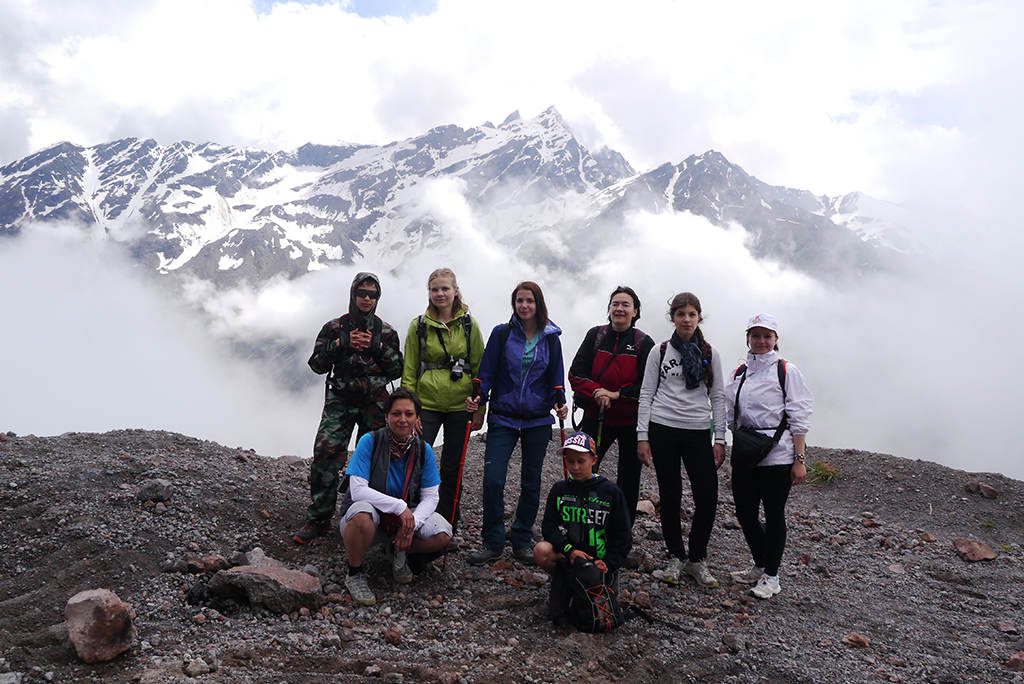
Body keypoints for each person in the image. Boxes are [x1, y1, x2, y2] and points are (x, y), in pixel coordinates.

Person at [294, 272, 403, 544]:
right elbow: (316, 365)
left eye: (372, 294)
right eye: (362, 293)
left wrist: (377, 347)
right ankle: (318, 519)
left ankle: (369, 519)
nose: (367, 298)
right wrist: (340, 344)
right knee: (325, 453)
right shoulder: (334, 328)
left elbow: (398, 370)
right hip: (340, 401)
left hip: (375, 403)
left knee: (376, 461)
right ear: (353, 294)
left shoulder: (387, 332)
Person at [465, 281, 569, 566]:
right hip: (503, 416)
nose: (524, 306)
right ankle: (493, 541)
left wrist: (559, 401)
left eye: (529, 301)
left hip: (538, 419)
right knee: (493, 479)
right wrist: (479, 396)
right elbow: (486, 372)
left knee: (531, 482)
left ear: (539, 304)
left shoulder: (551, 339)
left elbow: (556, 379)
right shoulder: (502, 334)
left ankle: (522, 539)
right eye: (520, 301)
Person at [636, 292, 726, 588]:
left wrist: (720, 438)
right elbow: (646, 394)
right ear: (672, 318)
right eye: (680, 314)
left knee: (707, 497)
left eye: (691, 314)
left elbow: (717, 397)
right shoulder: (660, 351)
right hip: (663, 428)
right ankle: (675, 556)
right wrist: (642, 436)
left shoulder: (710, 353)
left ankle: (696, 559)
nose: (686, 319)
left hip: (698, 430)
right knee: (670, 495)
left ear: (699, 317)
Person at [726, 313, 814, 599]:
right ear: (748, 339)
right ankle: (762, 565)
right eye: (756, 335)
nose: (761, 341)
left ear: (776, 340)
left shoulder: (786, 371)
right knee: (745, 514)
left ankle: (771, 576)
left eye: (767, 336)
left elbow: (798, 415)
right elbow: (731, 413)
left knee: (774, 515)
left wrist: (799, 460)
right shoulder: (740, 372)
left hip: (778, 456)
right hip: (746, 454)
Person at [339, 387, 452, 606]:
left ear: (417, 418)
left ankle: (396, 549)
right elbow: (358, 490)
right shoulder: (370, 441)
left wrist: (411, 524)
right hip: (370, 516)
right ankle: (355, 572)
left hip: (403, 518)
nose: (402, 419)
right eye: (396, 413)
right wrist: (399, 507)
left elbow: (431, 496)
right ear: (386, 416)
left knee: (443, 533)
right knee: (362, 516)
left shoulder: (423, 450)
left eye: (409, 414)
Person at [401, 268, 485, 534]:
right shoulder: (419, 326)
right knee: (415, 462)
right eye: (434, 289)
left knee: (452, 468)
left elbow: (480, 369)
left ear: (455, 291)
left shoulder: (470, 325)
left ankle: (446, 526)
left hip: (462, 406)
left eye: (445, 289)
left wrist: (480, 409)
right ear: (429, 293)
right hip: (425, 406)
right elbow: (409, 371)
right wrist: (409, 411)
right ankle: (412, 521)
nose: (440, 294)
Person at [568, 286, 655, 525]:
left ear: (635, 312)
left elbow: (649, 385)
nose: (619, 309)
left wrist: (616, 395)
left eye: (626, 305)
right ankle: (578, 523)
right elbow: (576, 373)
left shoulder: (644, 343)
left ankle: (622, 530)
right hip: (596, 416)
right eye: (615, 304)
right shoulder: (595, 336)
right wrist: (597, 392)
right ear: (609, 309)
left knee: (629, 478)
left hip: (630, 422)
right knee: (582, 468)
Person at [533, 431, 632, 581]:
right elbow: (549, 527)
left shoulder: (610, 491)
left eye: (581, 461)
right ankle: (569, 582)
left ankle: (601, 580)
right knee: (541, 551)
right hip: (572, 554)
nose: (575, 467)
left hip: (600, 559)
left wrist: (609, 563)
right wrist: (570, 551)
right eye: (570, 461)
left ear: (593, 460)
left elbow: (624, 536)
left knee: (595, 588)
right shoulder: (560, 489)